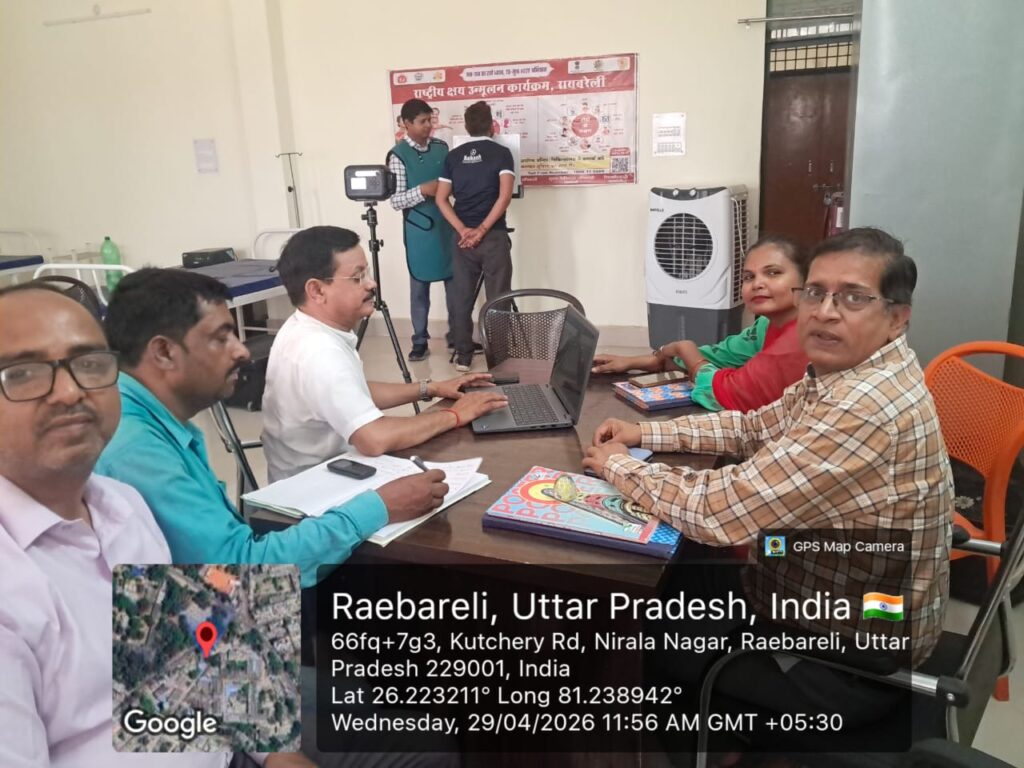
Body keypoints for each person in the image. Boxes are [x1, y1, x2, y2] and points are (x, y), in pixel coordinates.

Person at [584, 227, 953, 669]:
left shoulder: (864, 406)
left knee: (617, 631)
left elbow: (716, 512)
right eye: (815, 293)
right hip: (805, 586)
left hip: (836, 649)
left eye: (853, 298)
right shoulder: (849, 372)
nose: (824, 312)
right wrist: (644, 434)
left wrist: (620, 467)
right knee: (671, 572)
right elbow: (752, 428)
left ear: (897, 318)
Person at [0, 284, 310, 768]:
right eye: (21, 373)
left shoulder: (120, 506)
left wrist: (275, 754)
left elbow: (189, 648)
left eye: (89, 364)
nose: (70, 392)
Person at [95, 268, 449, 590]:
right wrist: (378, 507)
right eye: (221, 338)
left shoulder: (147, 418)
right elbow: (243, 576)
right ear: (163, 352)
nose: (242, 352)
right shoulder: (134, 448)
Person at [262, 225, 508, 481]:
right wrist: (455, 414)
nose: (371, 283)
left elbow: (352, 391)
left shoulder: (301, 327)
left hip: (316, 475)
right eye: (357, 277)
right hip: (317, 488)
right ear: (317, 290)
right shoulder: (320, 352)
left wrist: (431, 388)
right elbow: (375, 438)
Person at [592, 235, 809, 412]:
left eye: (773, 273)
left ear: (806, 280)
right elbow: (718, 356)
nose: (757, 284)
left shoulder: (803, 338)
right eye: (748, 277)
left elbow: (726, 394)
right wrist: (640, 361)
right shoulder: (764, 326)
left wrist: (688, 352)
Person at [435, 100, 516, 372]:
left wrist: (463, 230)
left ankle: (463, 356)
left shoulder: (453, 157)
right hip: (493, 236)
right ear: (491, 125)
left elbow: (441, 199)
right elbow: (504, 196)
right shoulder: (501, 153)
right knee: (498, 298)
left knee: (461, 297)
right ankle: (499, 359)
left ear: (467, 127)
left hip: (462, 241)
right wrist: (482, 230)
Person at [388, 98, 456, 362]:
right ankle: (419, 340)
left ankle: (457, 335)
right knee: (419, 286)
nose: (428, 126)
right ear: (406, 124)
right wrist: (423, 190)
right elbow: (396, 201)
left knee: (454, 282)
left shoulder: (441, 148)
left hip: (447, 223)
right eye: (422, 121)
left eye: (430, 120)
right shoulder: (398, 155)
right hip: (419, 229)